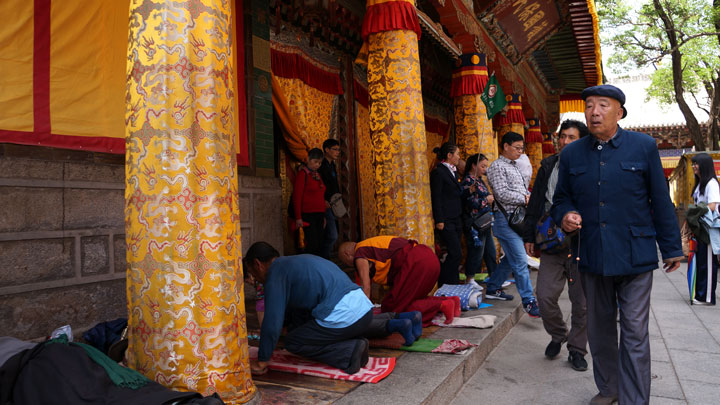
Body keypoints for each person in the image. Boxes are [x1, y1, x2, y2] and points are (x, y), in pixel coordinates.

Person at [551, 84, 683, 405]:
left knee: (635, 332)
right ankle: (609, 389)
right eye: (589, 106)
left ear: (619, 112)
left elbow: (660, 199)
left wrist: (671, 247)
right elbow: (561, 198)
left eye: (603, 106)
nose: (594, 112)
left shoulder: (643, 147)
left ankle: (635, 399)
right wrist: (566, 214)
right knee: (600, 330)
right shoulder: (571, 153)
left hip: (636, 255)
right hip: (593, 253)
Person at [244, 242, 421, 376]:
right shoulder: (297, 262)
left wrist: (262, 359)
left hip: (342, 315)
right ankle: (395, 320)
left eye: (253, 274)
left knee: (294, 342)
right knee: (344, 321)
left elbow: (272, 321)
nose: (255, 280)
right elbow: (299, 309)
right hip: (364, 309)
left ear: (258, 264)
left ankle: (348, 352)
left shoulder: (275, 274)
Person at [523, 119, 590, 371]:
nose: (564, 141)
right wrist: (528, 235)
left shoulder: (591, 165)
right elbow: (536, 201)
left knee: (582, 303)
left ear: (582, 140)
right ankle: (558, 333)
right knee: (544, 296)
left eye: (571, 137)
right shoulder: (549, 165)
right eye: (562, 136)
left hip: (582, 244)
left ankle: (577, 349)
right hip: (552, 241)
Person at [486, 131, 540, 318]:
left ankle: (493, 287)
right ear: (506, 146)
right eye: (517, 148)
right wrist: (525, 199)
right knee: (519, 260)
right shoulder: (497, 166)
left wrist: (526, 197)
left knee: (510, 258)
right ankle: (529, 301)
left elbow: (520, 190)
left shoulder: (515, 166)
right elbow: (501, 193)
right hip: (504, 219)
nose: (520, 151)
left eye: (521, 148)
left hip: (516, 219)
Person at [339, 236, 440, 323]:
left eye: (347, 263)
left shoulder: (359, 253)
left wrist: (360, 313)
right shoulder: (369, 244)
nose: (351, 266)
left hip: (417, 263)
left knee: (393, 310)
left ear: (347, 254)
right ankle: (448, 301)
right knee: (411, 300)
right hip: (429, 257)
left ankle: (441, 305)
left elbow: (366, 287)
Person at [461, 153, 497, 289]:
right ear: (474, 166)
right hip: (475, 222)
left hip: (485, 221)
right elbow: (470, 202)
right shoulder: (469, 181)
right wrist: (485, 200)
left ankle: (495, 276)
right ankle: (470, 277)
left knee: (490, 251)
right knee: (477, 252)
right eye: (482, 166)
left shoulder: (480, 180)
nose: (484, 169)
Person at [430, 142, 464, 286]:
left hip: (456, 217)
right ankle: (445, 281)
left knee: (456, 253)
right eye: (457, 154)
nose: (458, 157)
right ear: (449, 155)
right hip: (446, 218)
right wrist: (439, 219)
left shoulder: (454, 171)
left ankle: (454, 281)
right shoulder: (439, 172)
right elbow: (436, 197)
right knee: (456, 253)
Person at [690, 153, 719, 305]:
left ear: (705, 166)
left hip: (708, 229)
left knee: (707, 263)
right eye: (693, 163)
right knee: (701, 262)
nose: (694, 166)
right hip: (700, 228)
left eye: (697, 164)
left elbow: (713, 206)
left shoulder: (711, 184)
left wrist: (694, 212)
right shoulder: (700, 184)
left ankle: (707, 297)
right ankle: (700, 293)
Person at [291, 148, 326, 255]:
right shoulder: (303, 174)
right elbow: (297, 197)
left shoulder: (317, 175)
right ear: (308, 160)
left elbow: (321, 195)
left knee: (320, 243)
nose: (317, 165)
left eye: (319, 162)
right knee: (312, 244)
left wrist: (323, 215)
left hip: (319, 214)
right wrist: (298, 218)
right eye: (315, 162)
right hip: (308, 215)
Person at [318, 139, 341, 259]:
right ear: (327, 150)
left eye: (338, 150)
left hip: (334, 203)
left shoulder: (332, 165)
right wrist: (322, 200)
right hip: (324, 204)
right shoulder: (321, 165)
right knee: (332, 235)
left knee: (331, 233)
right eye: (335, 149)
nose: (337, 152)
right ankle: (324, 259)